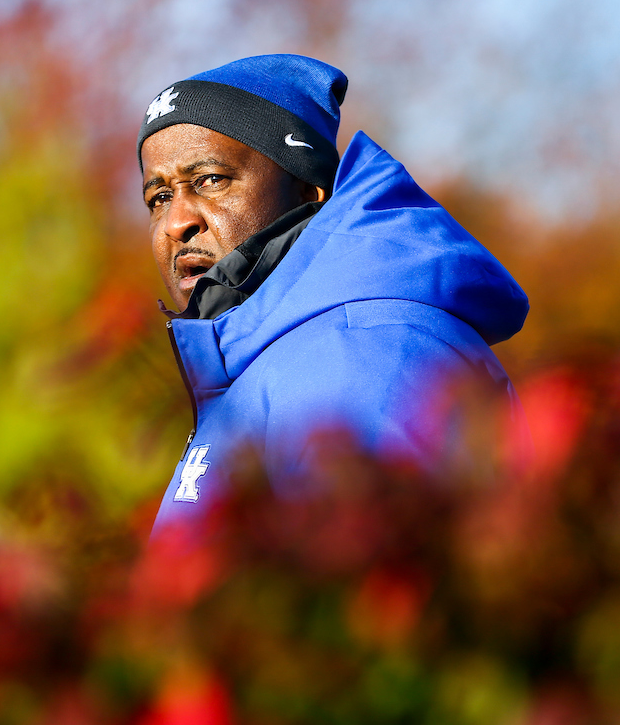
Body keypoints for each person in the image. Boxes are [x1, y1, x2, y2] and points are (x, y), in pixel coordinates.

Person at [137, 54, 528, 538]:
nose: (177, 222)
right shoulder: (281, 360)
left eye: (211, 181)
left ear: (308, 189)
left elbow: (378, 575)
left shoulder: (360, 350)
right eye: (159, 197)